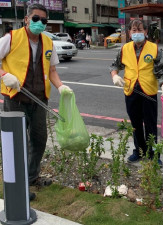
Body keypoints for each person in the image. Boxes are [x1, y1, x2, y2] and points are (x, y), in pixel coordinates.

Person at [0, 3, 72, 200]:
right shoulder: (11, 38)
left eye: (44, 20)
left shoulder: (48, 42)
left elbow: (52, 71)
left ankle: (32, 177)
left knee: (39, 139)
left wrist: (61, 87)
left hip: (39, 99)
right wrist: (4, 75)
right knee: (17, 143)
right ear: (26, 19)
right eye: (36, 19)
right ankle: (17, 185)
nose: (40, 23)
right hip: (15, 97)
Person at [109, 19, 163, 167]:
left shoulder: (154, 49)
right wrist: (115, 76)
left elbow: (161, 70)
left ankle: (153, 153)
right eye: (134, 30)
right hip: (130, 91)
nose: (137, 33)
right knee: (135, 124)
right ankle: (139, 150)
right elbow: (114, 65)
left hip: (148, 91)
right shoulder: (124, 49)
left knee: (150, 124)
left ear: (146, 32)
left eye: (140, 30)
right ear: (129, 33)